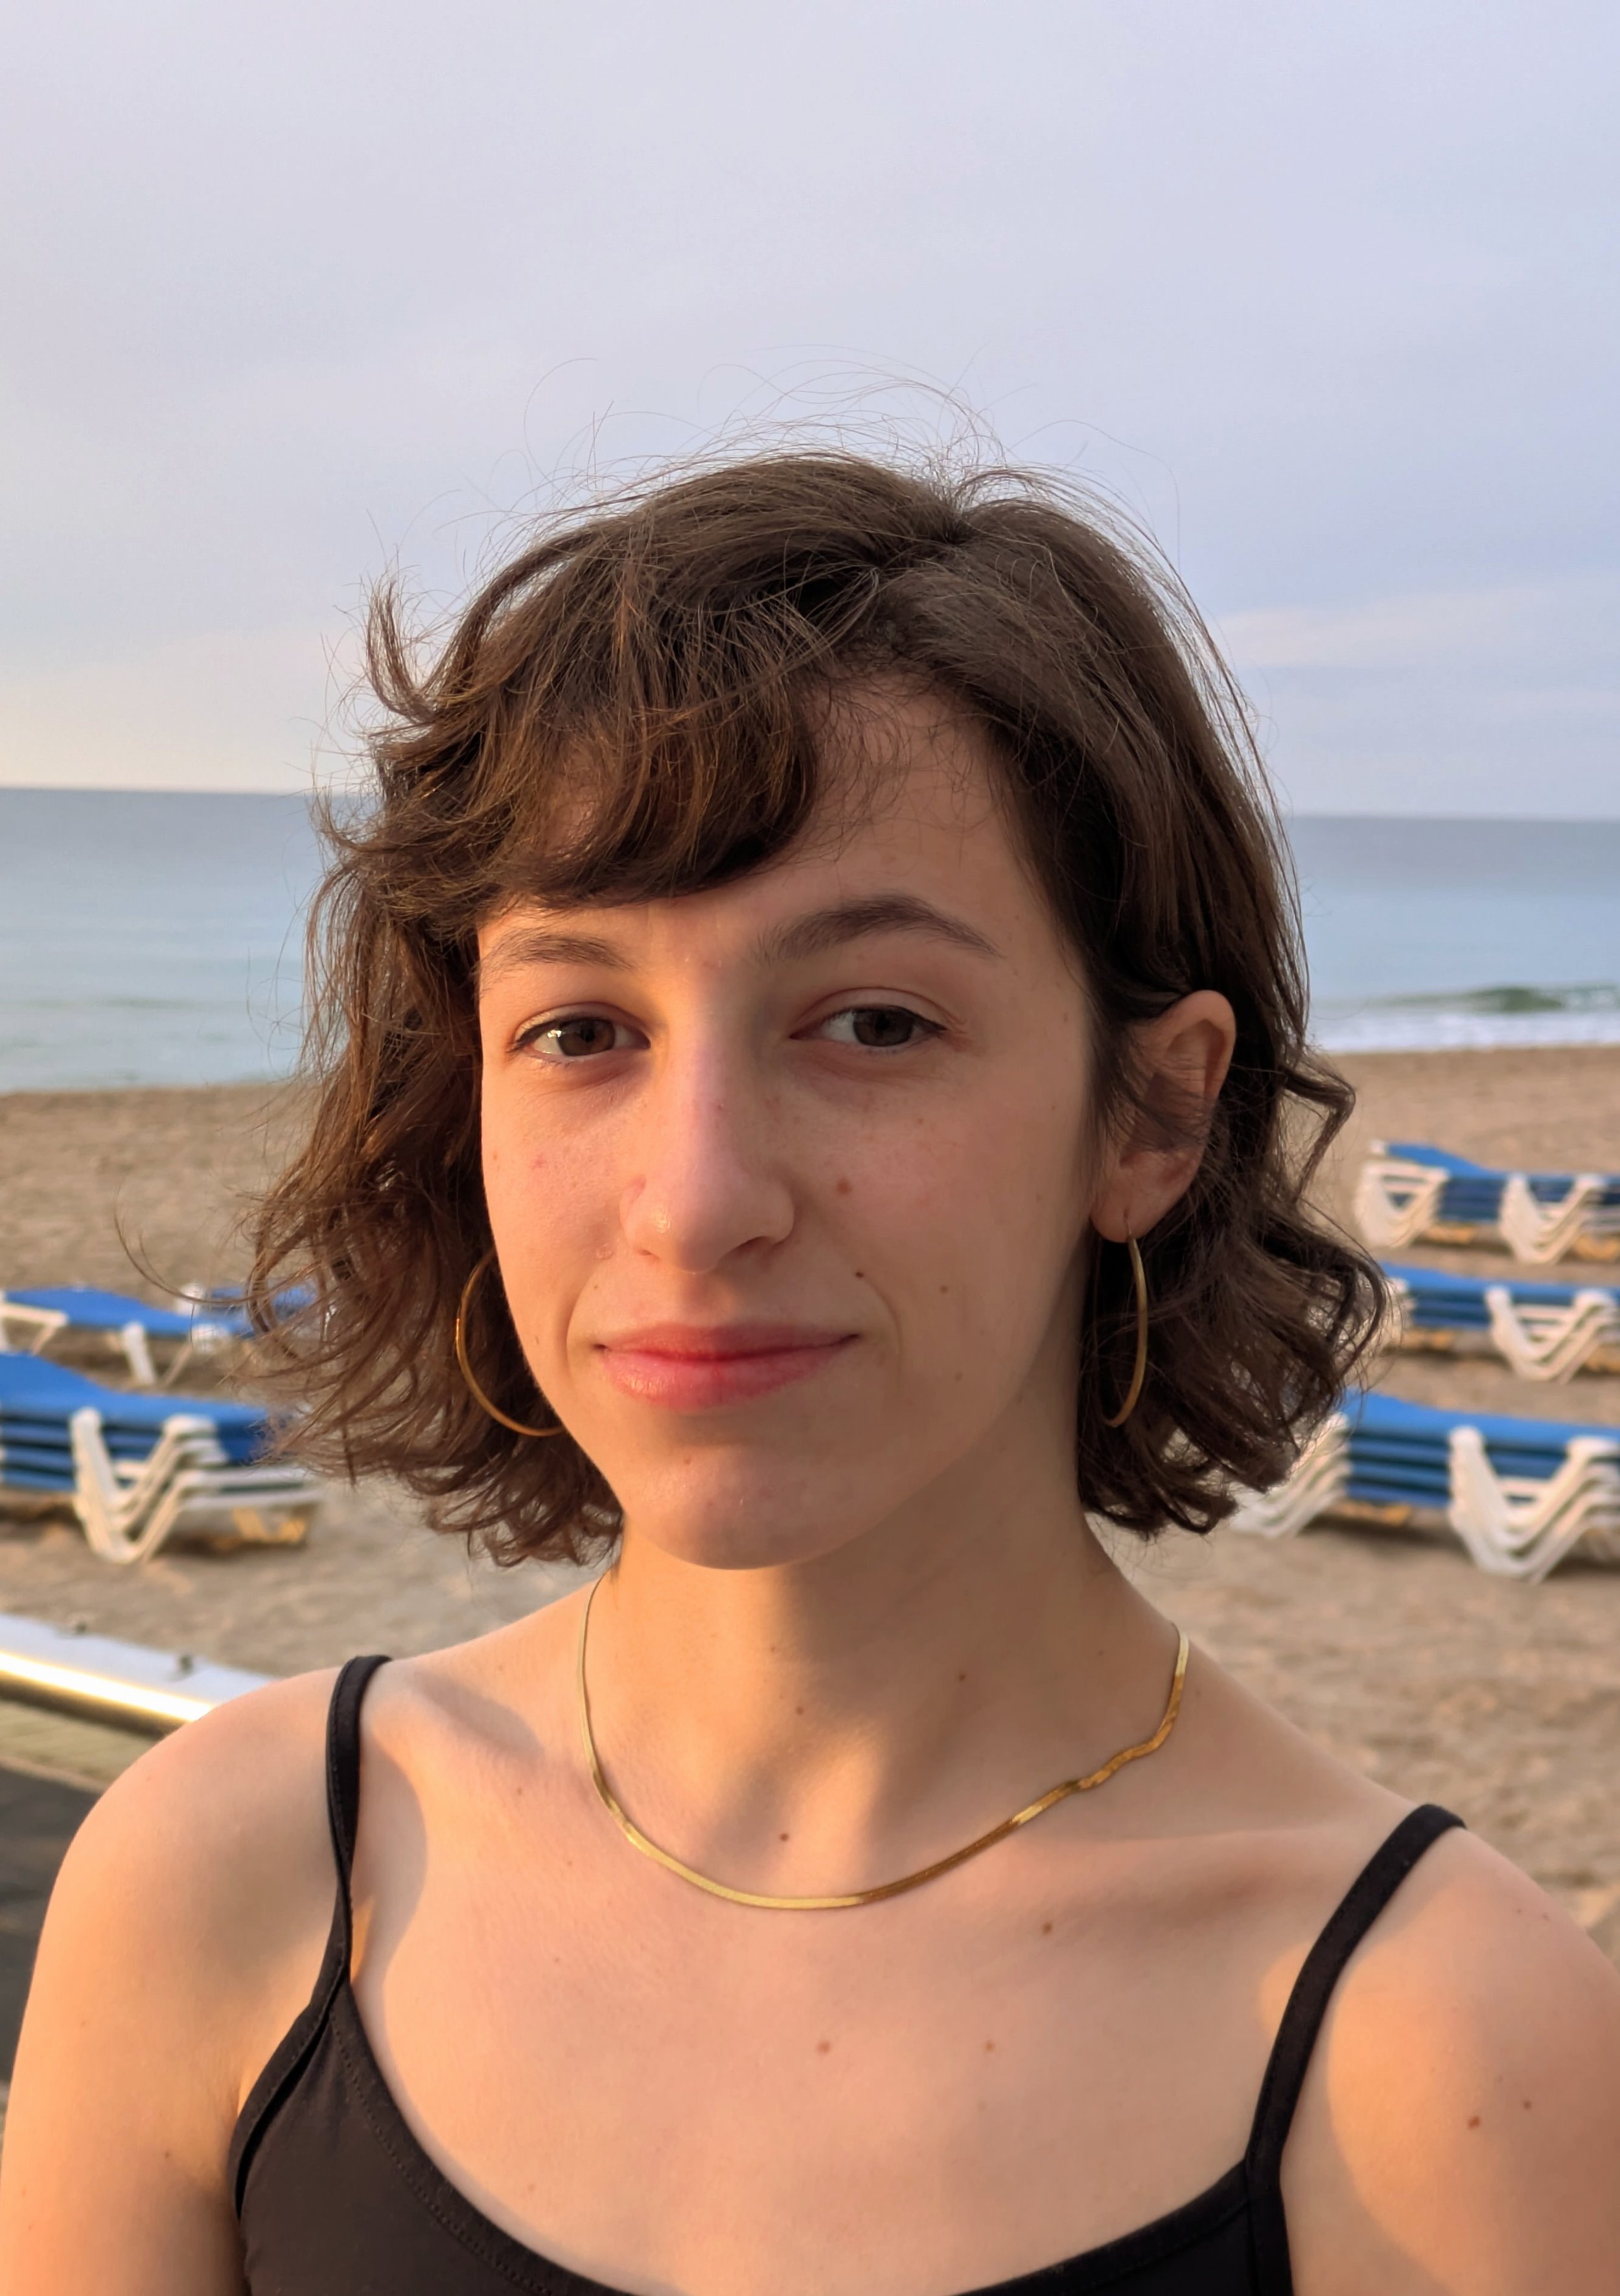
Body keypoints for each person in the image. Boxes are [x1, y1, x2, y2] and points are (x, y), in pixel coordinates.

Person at [3, 452, 1617, 2296]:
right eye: (579, 1028)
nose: (693, 1201)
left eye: (871, 1023)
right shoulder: (233, 1881)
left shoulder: (1447, 2059)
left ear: (1153, 1110)